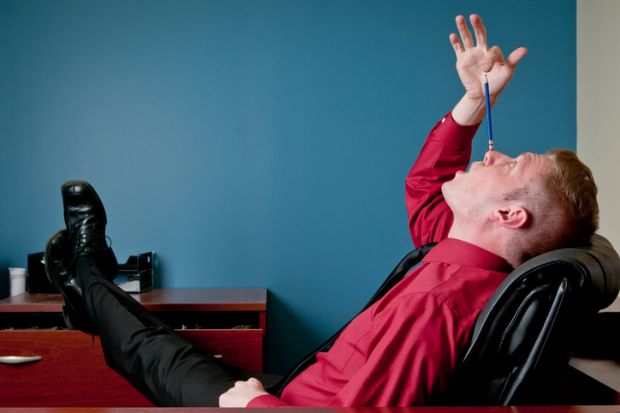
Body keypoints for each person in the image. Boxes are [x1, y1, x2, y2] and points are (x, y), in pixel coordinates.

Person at [44, 14, 598, 407]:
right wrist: (476, 101)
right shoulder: (469, 256)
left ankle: (87, 269)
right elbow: (427, 182)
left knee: (146, 348)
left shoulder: (436, 306)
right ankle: (85, 286)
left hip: (287, 405)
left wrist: (252, 406)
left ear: (509, 216)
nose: (492, 154)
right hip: (305, 383)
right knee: (163, 344)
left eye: (509, 165)